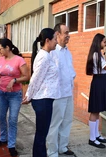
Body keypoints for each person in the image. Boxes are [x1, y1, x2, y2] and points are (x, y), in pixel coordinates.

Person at [22, 28, 60, 157]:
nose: (57, 42)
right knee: (41, 134)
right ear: (48, 40)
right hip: (42, 100)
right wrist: (28, 96)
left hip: (45, 99)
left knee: (42, 133)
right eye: (55, 39)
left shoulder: (47, 55)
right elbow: (35, 79)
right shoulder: (43, 57)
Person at [0, 38, 29, 157]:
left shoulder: (19, 60)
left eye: (0, 49)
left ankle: (11, 145)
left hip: (15, 96)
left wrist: (14, 80)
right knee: (1, 117)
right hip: (2, 94)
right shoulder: (0, 60)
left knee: (12, 120)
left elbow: (27, 76)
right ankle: (3, 138)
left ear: (7, 48)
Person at [46, 23, 76, 157]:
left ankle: (63, 147)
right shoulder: (52, 52)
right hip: (57, 94)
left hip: (68, 92)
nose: (68, 35)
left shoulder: (67, 52)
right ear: (57, 34)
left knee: (67, 121)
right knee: (55, 124)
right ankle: (52, 152)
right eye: (66, 33)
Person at [86, 33, 106, 148]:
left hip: (101, 81)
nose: (105, 43)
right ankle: (92, 138)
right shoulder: (97, 54)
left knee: (98, 110)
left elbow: (105, 66)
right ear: (99, 42)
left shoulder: (98, 54)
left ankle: (96, 135)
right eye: (104, 42)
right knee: (95, 110)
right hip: (99, 82)